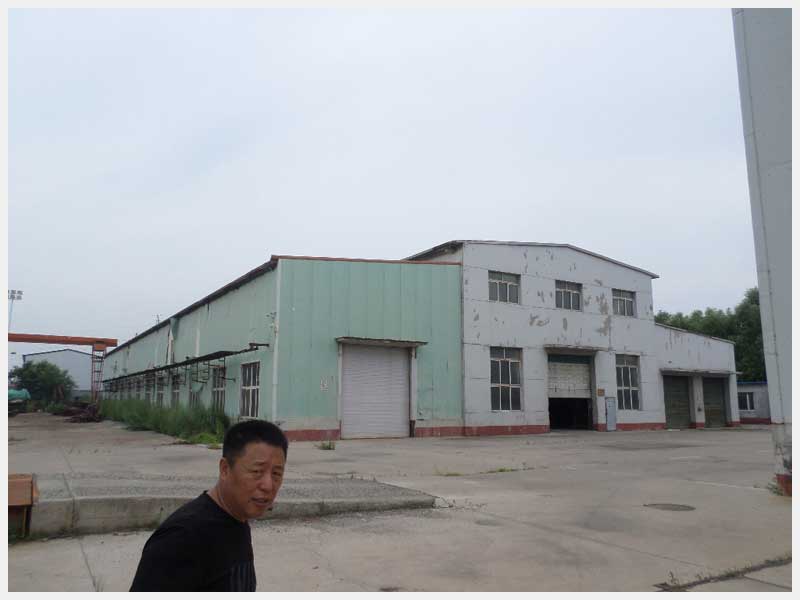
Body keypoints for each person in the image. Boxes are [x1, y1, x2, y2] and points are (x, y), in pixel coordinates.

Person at [130, 420, 288, 591]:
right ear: (225, 469)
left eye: (276, 474)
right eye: (256, 471)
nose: (268, 485)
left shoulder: (238, 517)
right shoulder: (181, 539)